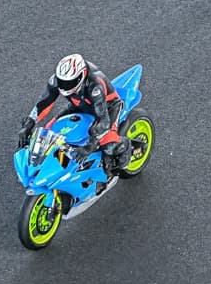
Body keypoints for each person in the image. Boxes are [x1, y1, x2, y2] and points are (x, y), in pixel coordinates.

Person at [19, 53, 130, 186]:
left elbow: (103, 121)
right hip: (80, 104)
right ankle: (50, 168)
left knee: (108, 144)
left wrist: (88, 148)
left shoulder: (95, 86)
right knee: (50, 130)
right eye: (63, 82)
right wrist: (29, 124)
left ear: (81, 76)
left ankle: (124, 147)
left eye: (69, 83)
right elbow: (44, 103)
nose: (65, 86)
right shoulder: (57, 81)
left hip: (107, 108)